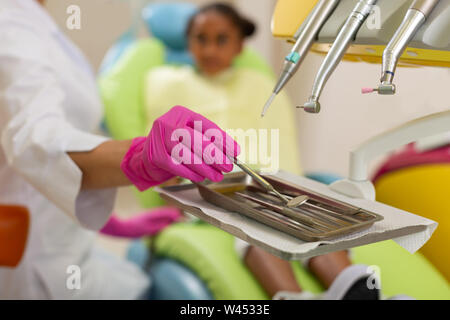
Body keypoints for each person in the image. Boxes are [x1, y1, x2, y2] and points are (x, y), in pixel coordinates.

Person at [0, 0, 240, 299]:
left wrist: (114, 224)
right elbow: (34, 140)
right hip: (41, 262)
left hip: (69, 237)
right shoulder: (10, 24)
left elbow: (52, 166)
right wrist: (138, 157)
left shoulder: (35, 21)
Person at [143, 3, 380, 300]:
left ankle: (353, 287)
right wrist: (173, 194)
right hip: (215, 192)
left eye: (222, 39)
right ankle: (293, 296)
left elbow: (282, 149)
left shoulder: (260, 87)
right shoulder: (170, 85)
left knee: (310, 218)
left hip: (270, 184)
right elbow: (163, 150)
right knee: (258, 229)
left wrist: (289, 183)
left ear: (240, 45)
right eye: (200, 39)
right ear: (188, 42)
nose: (210, 50)